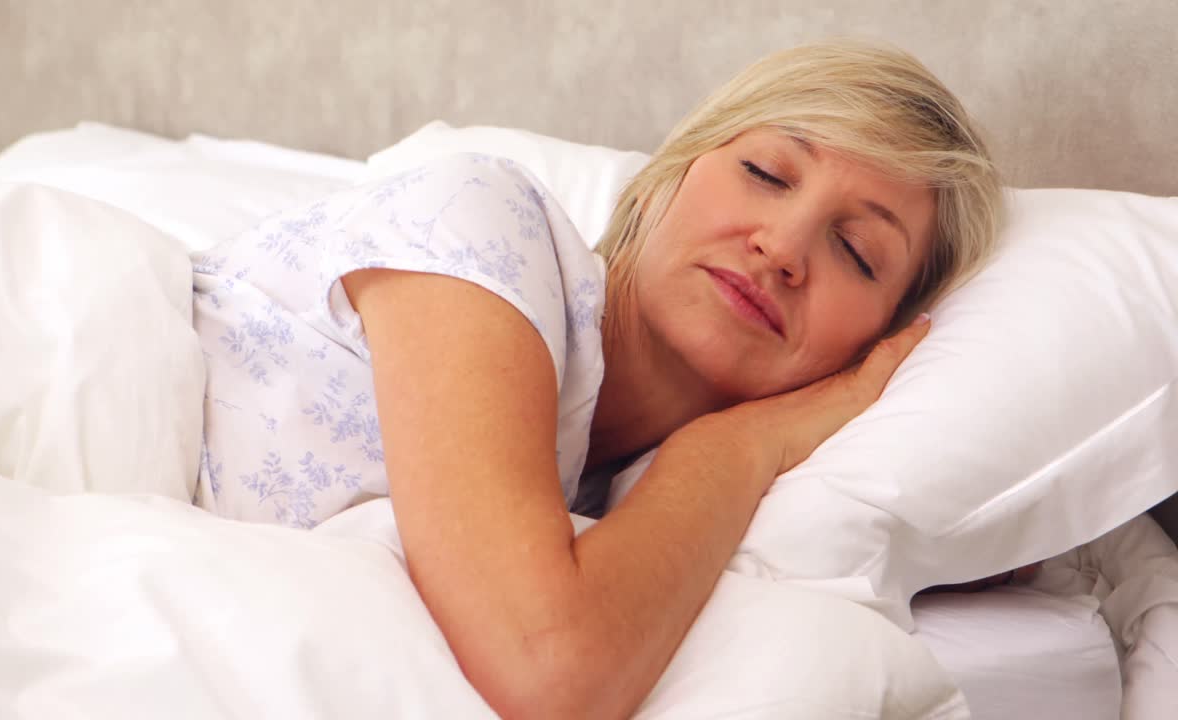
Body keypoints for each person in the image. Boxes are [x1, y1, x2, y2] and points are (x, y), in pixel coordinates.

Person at [190, 39, 1002, 719]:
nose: (784, 247)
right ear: (661, 182)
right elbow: (545, 669)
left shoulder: (604, 483)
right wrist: (738, 446)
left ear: (872, 345)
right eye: (766, 172)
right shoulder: (480, 222)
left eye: (856, 252)